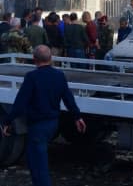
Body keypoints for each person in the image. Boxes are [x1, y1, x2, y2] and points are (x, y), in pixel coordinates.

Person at [1, 45, 86, 186]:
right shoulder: (59, 75)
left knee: (38, 165)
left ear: (34, 60)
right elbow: (68, 98)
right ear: (51, 59)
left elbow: (20, 102)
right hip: (52, 123)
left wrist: (7, 121)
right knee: (36, 160)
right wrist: (78, 117)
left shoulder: (32, 77)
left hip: (37, 126)